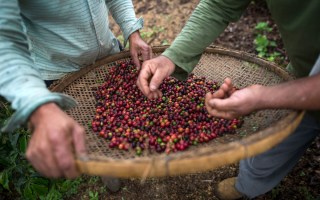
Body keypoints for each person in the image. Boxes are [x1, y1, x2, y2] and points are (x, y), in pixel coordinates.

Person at [136, 0, 320, 199]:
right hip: (306, 71)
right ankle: (248, 185)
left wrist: (263, 97)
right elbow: (220, 4)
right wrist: (171, 57)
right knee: (282, 132)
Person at [0, 0, 152, 179]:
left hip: (108, 54)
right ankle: (106, 167)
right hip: (58, 71)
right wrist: (38, 107)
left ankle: (128, 148)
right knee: (86, 129)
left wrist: (132, 31)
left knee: (124, 113)